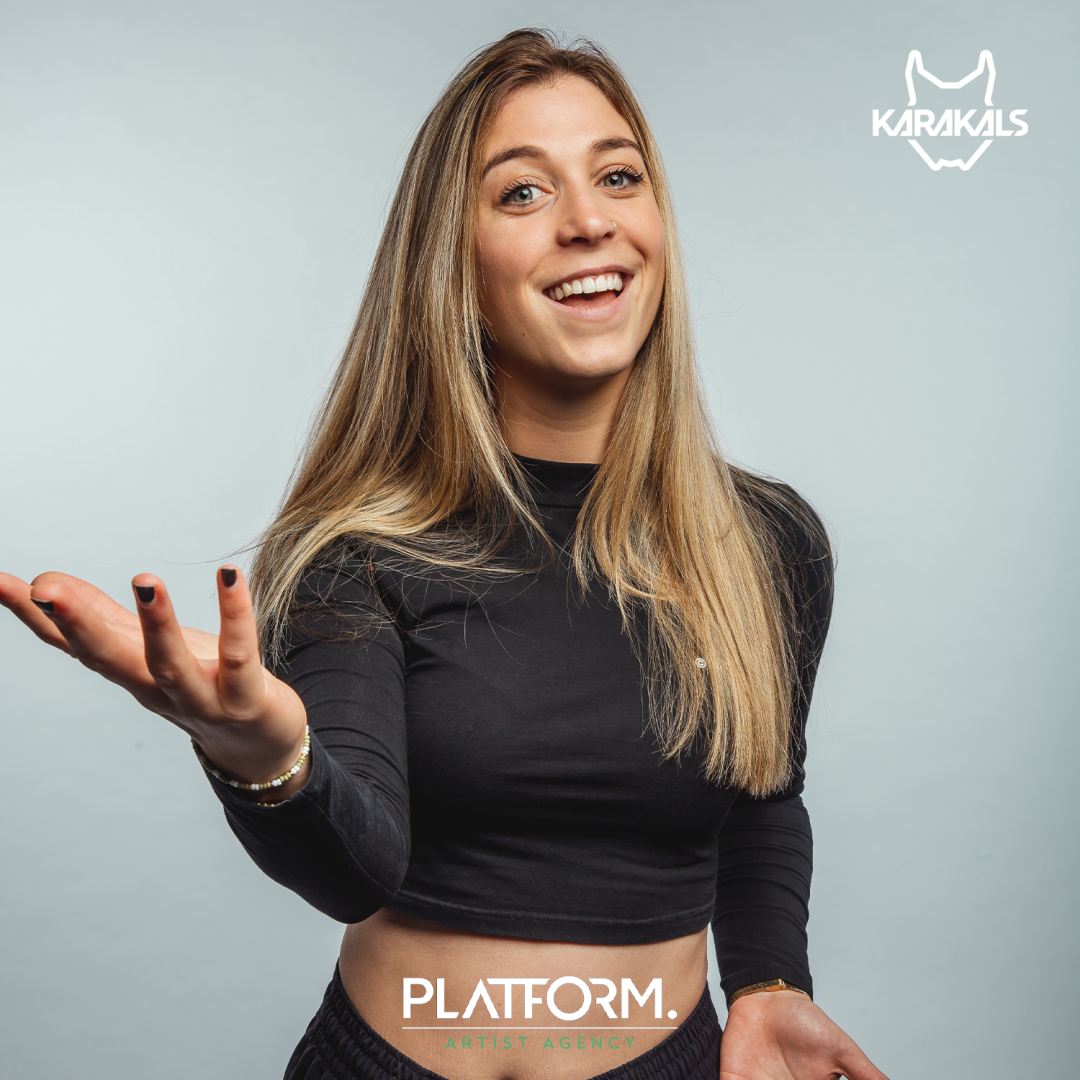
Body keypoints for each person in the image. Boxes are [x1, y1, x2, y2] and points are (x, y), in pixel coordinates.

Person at [0, 28, 889, 1080]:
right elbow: (355, 870)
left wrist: (773, 983)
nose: (588, 220)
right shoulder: (354, 551)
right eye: (523, 192)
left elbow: (761, 796)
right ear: (454, 266)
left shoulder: (767, 543)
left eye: (617, 176)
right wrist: (264, 755)